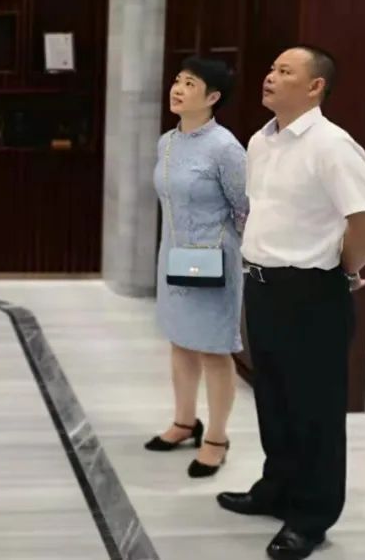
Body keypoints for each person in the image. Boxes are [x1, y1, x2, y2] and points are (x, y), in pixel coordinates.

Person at [217, 46, 365, 560]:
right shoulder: (260, 141)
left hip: (312, 293)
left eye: (285, 71)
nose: (270, 76)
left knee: (315, 410)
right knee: (274, 398)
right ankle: (277, 489)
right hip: (263, 286)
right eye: (271, 68)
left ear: (315, 87)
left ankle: (312, 516)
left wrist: (345, 269)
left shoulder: (332, 146)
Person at [146, 57, 249, 478]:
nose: (178, 88)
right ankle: (184, 422)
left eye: (190, 83)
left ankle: (217, 438)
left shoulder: (225, 147)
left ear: (213, 97)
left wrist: (223, 247)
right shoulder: (167, 142)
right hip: (173, 255)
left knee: (213, 348)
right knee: (180, 341)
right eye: (178, 80)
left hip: (213, 260)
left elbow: (245, 207)